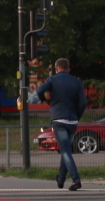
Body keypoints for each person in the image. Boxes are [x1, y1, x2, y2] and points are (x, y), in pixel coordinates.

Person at [36, 58, 88, 191]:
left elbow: (39, 90)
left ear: (57, 68)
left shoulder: (52, 80)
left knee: (65, 150)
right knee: (66, 150)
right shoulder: (77, 82)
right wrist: (77, 116)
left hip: (59, 120)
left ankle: (76, 179)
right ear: (68, 69)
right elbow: (82, 103)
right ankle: (61, 179)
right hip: (72, 121)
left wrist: (45, 100)